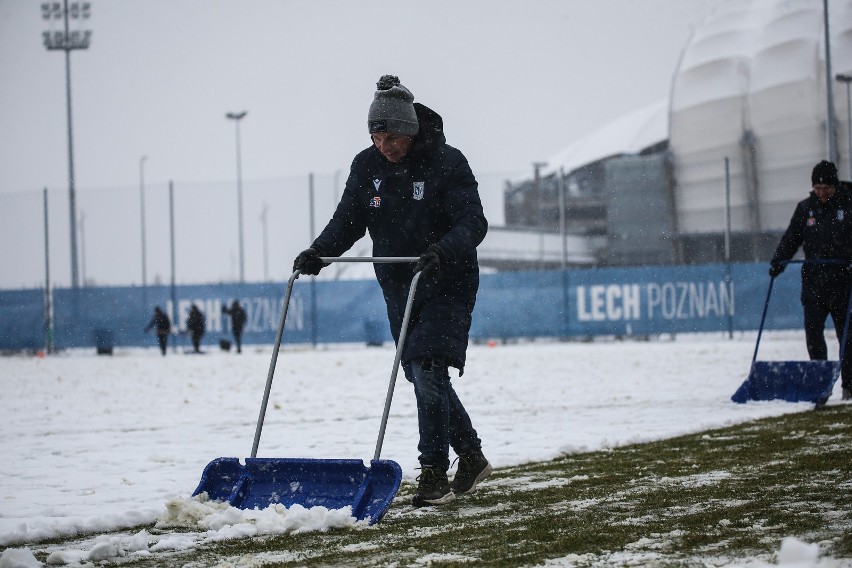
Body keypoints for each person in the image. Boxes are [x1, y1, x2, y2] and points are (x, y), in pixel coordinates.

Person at [292, 75, 492, 507]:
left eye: (393, 137)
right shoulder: (366, 166)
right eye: (376, 137)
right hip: (400, 286)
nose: (385, 146)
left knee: (429, 369)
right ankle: (471, 456)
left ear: (412, 130)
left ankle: (434, 472)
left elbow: (474, 223)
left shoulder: (448, 162)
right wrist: (319, 252)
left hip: (447, 281)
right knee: (422, 376)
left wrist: (442, 249)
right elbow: (348, 220)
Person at [770, 160, 852, 402]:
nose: (821, 192)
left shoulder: (848, 205)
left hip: (843, 282)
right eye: (816, 187)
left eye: (825, 187)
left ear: (834, 185)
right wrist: (778, 261)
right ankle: (820, 385)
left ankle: (849, 385)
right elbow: (791, 238)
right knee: (813, 334)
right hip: (815, 284)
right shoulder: (806, 209)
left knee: (847, 336)